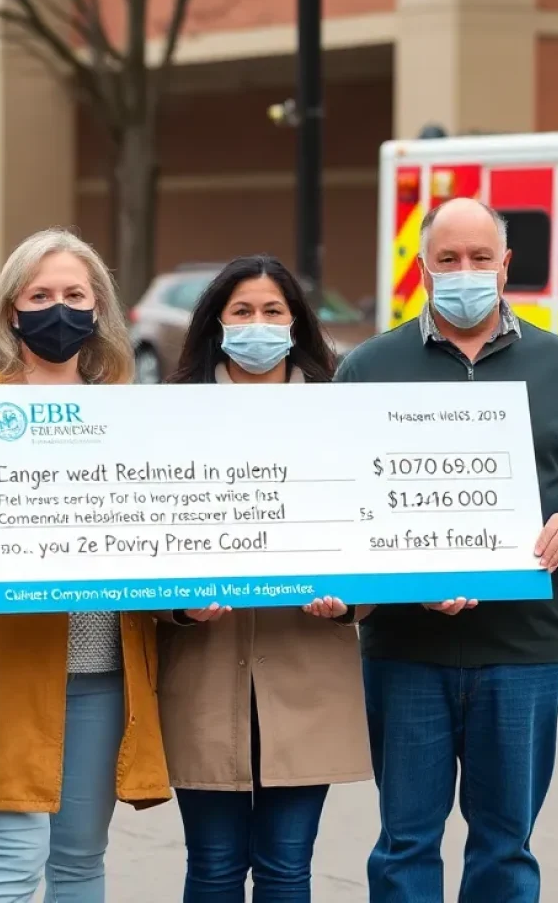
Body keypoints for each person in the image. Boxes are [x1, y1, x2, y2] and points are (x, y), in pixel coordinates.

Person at [335, 198, 558, 903]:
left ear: (507, 267)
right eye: (448, 260)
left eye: (480, 259)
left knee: (506, 848)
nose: (465, 272)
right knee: (405, 845)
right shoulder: (367, 369)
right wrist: (390, 582)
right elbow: (341, 501)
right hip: (405, 647)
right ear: (423, 269)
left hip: (523, 648)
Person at [0, 228, 170, 903]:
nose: (58, 308)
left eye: (74, 294)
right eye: (40, 294)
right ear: (12, 310)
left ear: (98, 307)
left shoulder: (133, 412)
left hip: (103, 678)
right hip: (0, 671)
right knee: (14, 860)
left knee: (79, 860)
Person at [161, 254, 373, 903]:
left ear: (296, 322)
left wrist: (349, 606)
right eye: (243, 312)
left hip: (306, 672)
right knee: (214, 863)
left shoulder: (344, 414)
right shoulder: (168, 418)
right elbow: (138, 543)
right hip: (203, 671)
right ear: (217, 323)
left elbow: (376, 535)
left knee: (287, 865)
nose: (259, 324)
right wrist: (178, 607)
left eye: (273, 311)